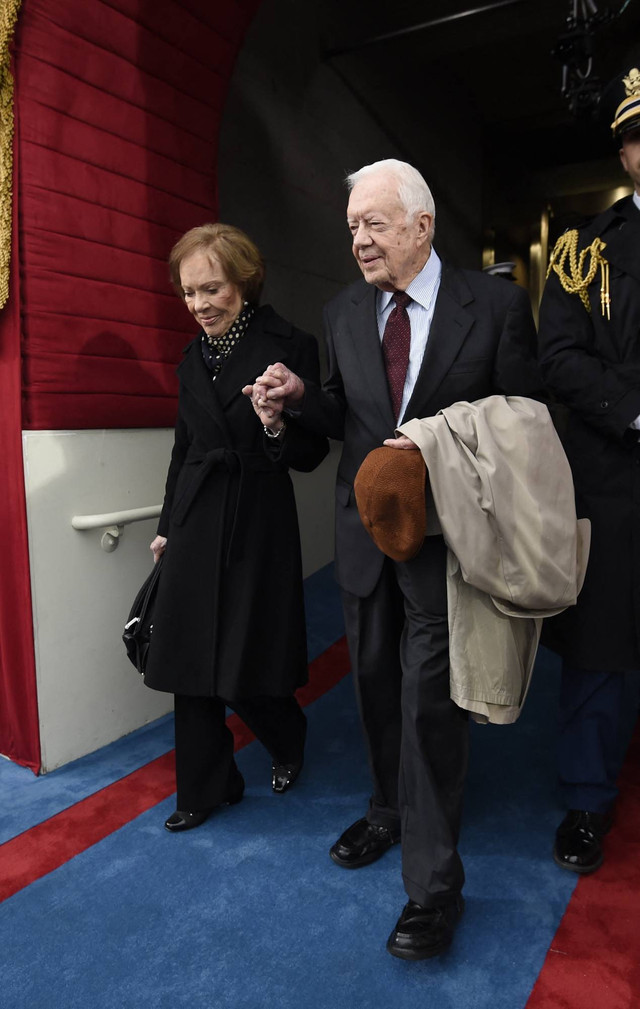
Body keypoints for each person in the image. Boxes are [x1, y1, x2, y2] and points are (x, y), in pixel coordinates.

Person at [245, 159, 541, 960]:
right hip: (363, 535)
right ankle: (386, 806)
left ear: (422, 225)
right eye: (351, 229)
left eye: (374, 224)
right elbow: (345, 416)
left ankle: (433, 888)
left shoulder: (498, 305)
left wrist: (440, 445)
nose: (359, 242)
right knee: (374, 683)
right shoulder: (345, 311)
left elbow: (521, 422)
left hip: (448, 541)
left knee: (429, 703)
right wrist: (297, 401)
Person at [144, 223, 328, 832]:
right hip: (197, 516)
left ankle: (288, 736)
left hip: (258, 514)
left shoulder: (290, 344)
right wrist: (168, 525)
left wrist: (276, 422)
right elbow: (183, 450)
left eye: (212, 288)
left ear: (245, 281)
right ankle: (205, 787)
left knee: (252, 652)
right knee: (188, 657)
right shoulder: (190, 359)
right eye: (189, 292)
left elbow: (310, 453)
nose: (200, 305)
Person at [537, 67, 640, 874]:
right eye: (638, 135)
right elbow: (559, 357)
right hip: (613, 475)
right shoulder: (583, 250)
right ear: (624, 149)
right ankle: (586, 797)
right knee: (601, 645)